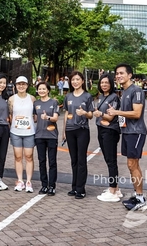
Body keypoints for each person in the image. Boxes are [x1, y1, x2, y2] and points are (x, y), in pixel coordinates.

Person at [107, 63, 147, 211]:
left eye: (121, 73)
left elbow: (137, 113)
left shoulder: (136, 90)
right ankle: (137, 196)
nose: (118, 76)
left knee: (133, 164)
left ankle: (140, 198)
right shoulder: (124, 92)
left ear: (130, 75)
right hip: (127, 132)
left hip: (136, 132)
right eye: (117, 74)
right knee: (131, 165)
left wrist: (117, 112)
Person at [62, 70, 93, 199]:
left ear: (82, 81)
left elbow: (91, 115)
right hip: (70, 131)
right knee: (73, 160)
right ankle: (74, 187)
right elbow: (66, 113)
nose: (75, 82)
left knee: (81, 160)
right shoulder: (68, 96)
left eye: (77, 79)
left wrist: (84, 113)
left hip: (82, 130)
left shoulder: (87, 96)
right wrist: (64, 131)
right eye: (73, 80)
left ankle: (81, 189)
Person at [93, 73, 122, 202]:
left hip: (110, 131)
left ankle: (112, 191)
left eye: (106, 82)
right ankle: (116, 188)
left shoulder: (114, 97)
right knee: (108, 159)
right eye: (102, 82)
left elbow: (110, 117)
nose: (104, 84)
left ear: (111, 84)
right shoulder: (101, 97)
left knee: (111, 161)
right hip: (101, 129)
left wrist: (100, 114)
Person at [8, 76, 36, 193]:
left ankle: (29, 181)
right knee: (18, 157)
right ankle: (20, 180)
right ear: (15, 85)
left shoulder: (32, 98)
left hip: (29, 132)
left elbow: (35, 116)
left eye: (23, 84)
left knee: (29, 156)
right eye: (19, 84)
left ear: (27, 85)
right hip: (16, 132)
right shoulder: (11, 99)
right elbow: (10, 115)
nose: (21, 86)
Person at [33, 81, 58, 196]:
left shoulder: (53, 102)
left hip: (51, 136)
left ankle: (52, 186)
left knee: (52, 162)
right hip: (39, 136)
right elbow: (34, 119)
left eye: (44, 89)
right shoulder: (36, 103)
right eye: (39, 89)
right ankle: (44, 185)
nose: (41, 91)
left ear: (48, 90)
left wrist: (47, 117)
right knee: (42, 161)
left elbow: (55, 118)